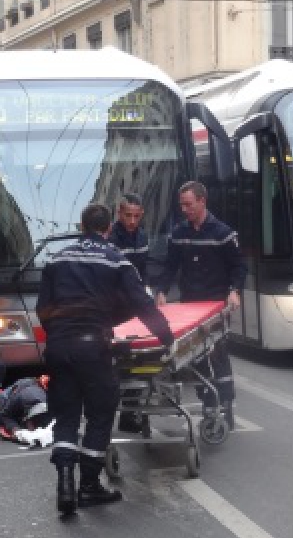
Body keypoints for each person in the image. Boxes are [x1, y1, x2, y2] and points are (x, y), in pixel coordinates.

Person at [37, 203, 174, 516]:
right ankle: (88, 485)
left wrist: (58, 333)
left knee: (67, 414)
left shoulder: (57, 259)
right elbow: (142, 303)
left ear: (82, 226)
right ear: (108, 229)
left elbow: (44, 307)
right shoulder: (116, 260)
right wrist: (165, 338)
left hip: (60, 347)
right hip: (93, 348)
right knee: (100, 411)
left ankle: (65, 483)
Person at [153, 181, 248, 432]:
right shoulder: (179, 233)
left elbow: (239, 266)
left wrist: (234, 291)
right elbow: (170, 266)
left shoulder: (223, 234)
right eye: (181, 205)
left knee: (217, 352)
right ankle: (207, 401)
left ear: (202, 201)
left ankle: (225, 402)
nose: (184, 209)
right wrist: (161, 290)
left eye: (188, 204)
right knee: (193, 355)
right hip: (190, 305)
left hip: (216, 304)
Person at [110, 193, 150, 434]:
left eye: (137, 216)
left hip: (134, 305)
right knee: (120, 362)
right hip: (116, 307)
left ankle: (131, 411)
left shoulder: (142, 237)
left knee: (139, 360)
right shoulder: (111, 238)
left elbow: (143, 270)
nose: (133, 221)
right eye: (128, 216)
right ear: (119, 214)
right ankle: (122, 410)